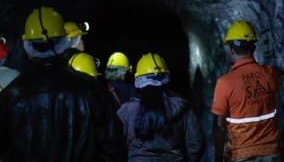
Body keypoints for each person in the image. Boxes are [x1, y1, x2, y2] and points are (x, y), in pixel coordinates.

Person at [0, 6, 125, 162]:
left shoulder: (10, 96)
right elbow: (113, 147)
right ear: (63, 43)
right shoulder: (90, 89)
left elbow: (1, 155)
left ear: (26, 46)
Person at [211, 20, 281, 162]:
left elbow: (219, 126)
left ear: (231, 50)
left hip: (241, 154)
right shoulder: (271, 74)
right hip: (272, 153)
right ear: (253, 48)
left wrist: (218, 156)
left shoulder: (225, 82)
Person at [117, 52, 205, 162]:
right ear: (165, 77)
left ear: (138, 79)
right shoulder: (183, 107)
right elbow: (196, 143)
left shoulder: (126, 111)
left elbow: (114, 146)